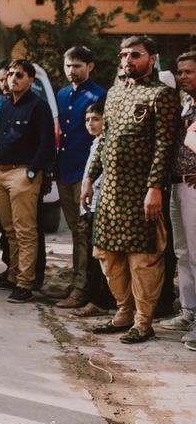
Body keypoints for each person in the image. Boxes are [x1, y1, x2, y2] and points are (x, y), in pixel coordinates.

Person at [82, 35, 180, 344]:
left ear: (152, 59)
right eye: (124, 55)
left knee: (143, 259)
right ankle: (123, 312)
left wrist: (155, 188)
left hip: (142, 191)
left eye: (135, 55)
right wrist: (90, 177)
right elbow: (105, 139)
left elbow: (165, 146)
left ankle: (143, 320)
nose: (127, 61)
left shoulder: (161, 95)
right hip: (110, 190)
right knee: (109, 256)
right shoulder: (113, 94)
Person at [0, 59, 56, 303]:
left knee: (25, 231)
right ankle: (13, 274)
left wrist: (33, 171)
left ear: (30, 79)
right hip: (1, 173)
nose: (13, 78)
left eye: (19, 74)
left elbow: (47, 143)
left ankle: (25, 283)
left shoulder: (38, 107)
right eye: (10, 74)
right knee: (9, 231)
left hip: (23, 173)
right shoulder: (6, 105)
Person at [53, 47, 107, 308]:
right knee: (75, 232)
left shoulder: (99, 95)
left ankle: (83, 289)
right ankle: (76, 281)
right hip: (65, 169)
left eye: (77, 66)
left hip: (87, 173)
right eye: (68, 66)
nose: (72, 71)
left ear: (90, 66)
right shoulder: (62, 94)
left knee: (85, 232)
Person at [160, 52, 196, 340]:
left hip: (193, 187)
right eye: (180, 72)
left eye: (189, 72)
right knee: (181, 253)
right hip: (175, 184)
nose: (183, 76)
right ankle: (188, 311)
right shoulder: (185, 104)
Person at [73, 103, 116, 317]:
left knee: (99, 256)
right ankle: (93, 297)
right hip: (90, 206)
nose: (91, 123)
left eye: (96, 119)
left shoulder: (108, 143)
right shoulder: (95, 143)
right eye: (88, 119)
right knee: (91, 255)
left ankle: (100, 300)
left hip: (101, 205)